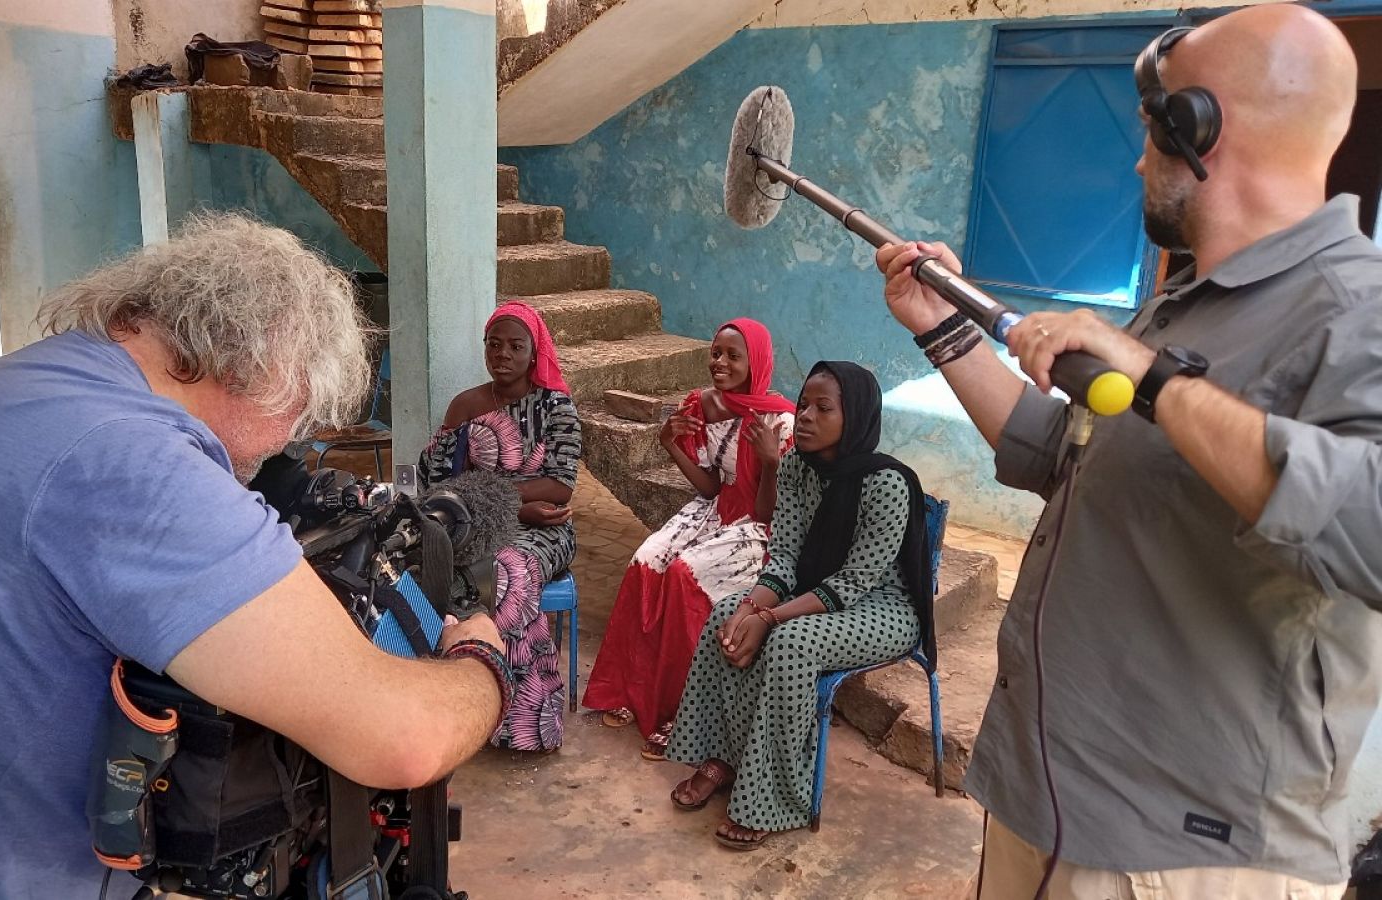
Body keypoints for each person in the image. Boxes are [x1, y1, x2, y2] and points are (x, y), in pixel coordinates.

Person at [874, 5, 1382, 897]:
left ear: (1198, 128)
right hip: (1049, 798)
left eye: (1152, 132)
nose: (1136, 158)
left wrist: (1153, 381)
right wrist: (945, 333)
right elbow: (1059, 457)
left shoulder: (1356, 313)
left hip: (1184, 857)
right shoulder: (1181, 308)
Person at [0, 213, 510, 900]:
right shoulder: (136, 465)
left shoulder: (27, 382)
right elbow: (402, 738)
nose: (293, 441)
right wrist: (484, 662)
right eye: (302, 410)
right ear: (268, 364)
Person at [664, 361, 933, 850]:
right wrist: (750, 608)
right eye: (803, 404)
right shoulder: (794, 467)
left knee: (789, 642)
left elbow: (853, 583)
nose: (804, 416)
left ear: (854, 417)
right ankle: (725, 757)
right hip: (816, 590)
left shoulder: (888, 484)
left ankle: (777, 801)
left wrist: (768, 618)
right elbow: (785, 556)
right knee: (726, 614)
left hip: (883, 609)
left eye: (822, 408)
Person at [583, 318, 794, 760]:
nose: (721, 362)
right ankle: (629, 689)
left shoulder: (779, 419)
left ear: (756, 361)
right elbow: (711, 488)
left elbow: (768, 512)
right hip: (717, 510)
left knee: (684, 575)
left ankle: (681, 712)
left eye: (734, 356)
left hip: (759, 526)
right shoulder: (702, 404)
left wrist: (770, 464)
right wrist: (670, 445)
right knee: (646, 561)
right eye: (717, 352)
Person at [419, 300, 582, 752]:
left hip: (543, 531)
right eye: (494, 345)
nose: (503, 354)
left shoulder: (556, 407)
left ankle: (522, 719)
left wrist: (507, 505)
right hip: (475, 522)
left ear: (534, 352)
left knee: (507, 570)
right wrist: (510, 504)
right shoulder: (466, 405)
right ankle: (451, 698)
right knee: (427, 564)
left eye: (515, 346)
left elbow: (560, 486)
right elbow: (438, 481)